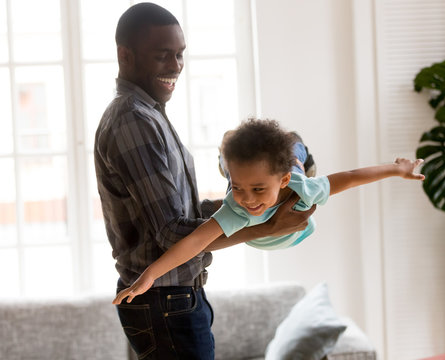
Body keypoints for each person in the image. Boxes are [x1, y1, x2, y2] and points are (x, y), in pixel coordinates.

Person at [93, 3, 314, 360]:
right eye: (163, 55)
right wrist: (266, 226)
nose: (176, 66)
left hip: (177, 298)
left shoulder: (148, 114)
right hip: (166, 302)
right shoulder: (132, 120)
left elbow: (188, 213)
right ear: (126, 55)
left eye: (180, 55)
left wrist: (251, 203)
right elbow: (171, 234)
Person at [112, 118, 425, 305]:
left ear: (283, 181)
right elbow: (195, 242)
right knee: (233, 165)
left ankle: (294, 149)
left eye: (258, 190)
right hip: (265, 217)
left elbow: (352, 176)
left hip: (294, 191)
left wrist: (397, 169)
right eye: (240, 189)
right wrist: (150, 274)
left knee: (294, 151)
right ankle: (227, 157)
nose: (248, 199)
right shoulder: (236, 207)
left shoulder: (301, 187)